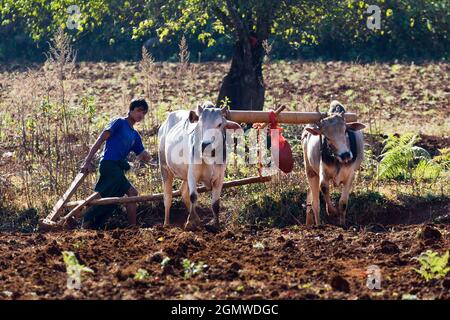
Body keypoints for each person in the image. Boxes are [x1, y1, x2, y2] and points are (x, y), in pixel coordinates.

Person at [80, 98, 151, 229]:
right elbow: (101, 139)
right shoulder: (119, 122)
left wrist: (152, 157)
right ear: (130, 110)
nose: (141, 115)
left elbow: (142, 154)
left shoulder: (135, 135)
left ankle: (89, 223)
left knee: (108, 197)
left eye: (144, 112)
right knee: (132, 192)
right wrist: (87, 160)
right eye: (138, 110)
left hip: (118, 168)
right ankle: (133, 227)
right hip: (109, 165)